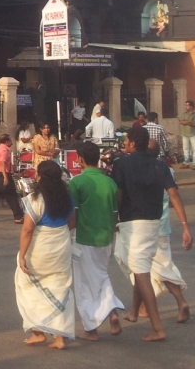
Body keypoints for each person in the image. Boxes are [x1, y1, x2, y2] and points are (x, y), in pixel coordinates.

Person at [111, 127, 192, 342]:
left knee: (140, 270)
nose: (125, 143)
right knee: (141, 267)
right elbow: (173, 194)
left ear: (132, 144)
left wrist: (113, 220)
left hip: (132, 224)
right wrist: (185, 225)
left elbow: (118, 195)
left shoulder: (121, 164)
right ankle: (135, 312)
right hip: (154, 223)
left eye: (126, 140)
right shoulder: (160, 166)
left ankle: (157, 327)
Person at [15, 159, 76, 350]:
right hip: (61, 246)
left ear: (38, 176)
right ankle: (60, 338)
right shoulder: (67, 197)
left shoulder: (35, 199)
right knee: (60, 289)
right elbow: (72, 223)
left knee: (26, 286)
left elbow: (27, 230)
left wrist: (22, 256)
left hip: (40, 249)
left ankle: (38, 333)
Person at [129, 142, 190, 325]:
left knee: (148, 268)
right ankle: (143, 308)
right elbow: (175, 197)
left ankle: (180, 300)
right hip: (163, 227)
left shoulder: (139, 169)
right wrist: (185, 226)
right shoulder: (166, 170)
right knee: (153, 268)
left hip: (143, 226)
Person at [69, 141, 123, 341]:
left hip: (84, 237)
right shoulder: (110, 182)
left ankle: (91, 328)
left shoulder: (77, 182)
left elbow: (72, 216)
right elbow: (115, 213)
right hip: (106, 237)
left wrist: (66, 234)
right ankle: (111, 312)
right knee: (100, 275)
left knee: (84, 284)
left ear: (80, 159)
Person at [178, 100, 195, 169]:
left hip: (193, 134)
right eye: (185, 105)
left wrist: (186, 122)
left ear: (191, 107)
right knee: (185, 149)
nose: (186, 107)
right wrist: (189, 121)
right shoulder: (184, 113)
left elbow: (194, 123)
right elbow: (181, 122)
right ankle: (186, 163)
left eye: (187, 105)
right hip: (185, 133)